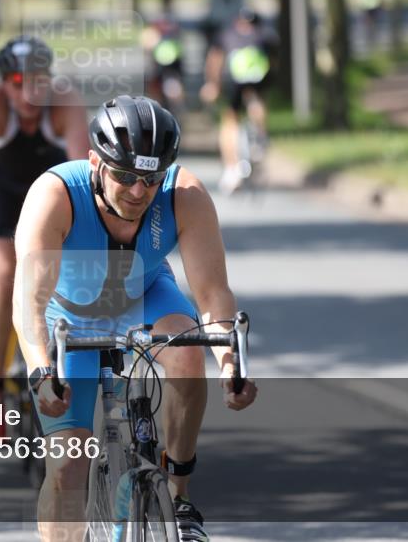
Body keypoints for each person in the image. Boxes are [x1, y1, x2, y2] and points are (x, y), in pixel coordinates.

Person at [13, 95, 258, 542]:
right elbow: (29, 300)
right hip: (70, 315)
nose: (139, 191)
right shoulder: (55, 195)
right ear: (95, 162)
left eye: (151, 178)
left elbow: (212, 293)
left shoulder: (184, 195)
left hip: (142, 295)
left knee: (187, 355)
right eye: (124, 176)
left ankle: (179, 499)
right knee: (67, 467)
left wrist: (229, 363)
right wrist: (40, 371)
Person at [0, 35, 89, 437]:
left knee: (71, 276)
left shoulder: (65, 102)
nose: (27, 94)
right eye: (17, 84)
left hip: (53, 202)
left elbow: (81, 169)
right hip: (4, 203)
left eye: (37, 82)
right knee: (5, 275)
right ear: (3, 84)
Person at [200, 7, 277, 194]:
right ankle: (260, 139)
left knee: (229, 121)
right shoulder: (265, 35)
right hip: (255, 80)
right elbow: (273, 61)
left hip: (233, 81)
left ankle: (231, 167)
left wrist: (212, 85)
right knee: (256, 105)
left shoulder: (227, 35)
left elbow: (215, 60)